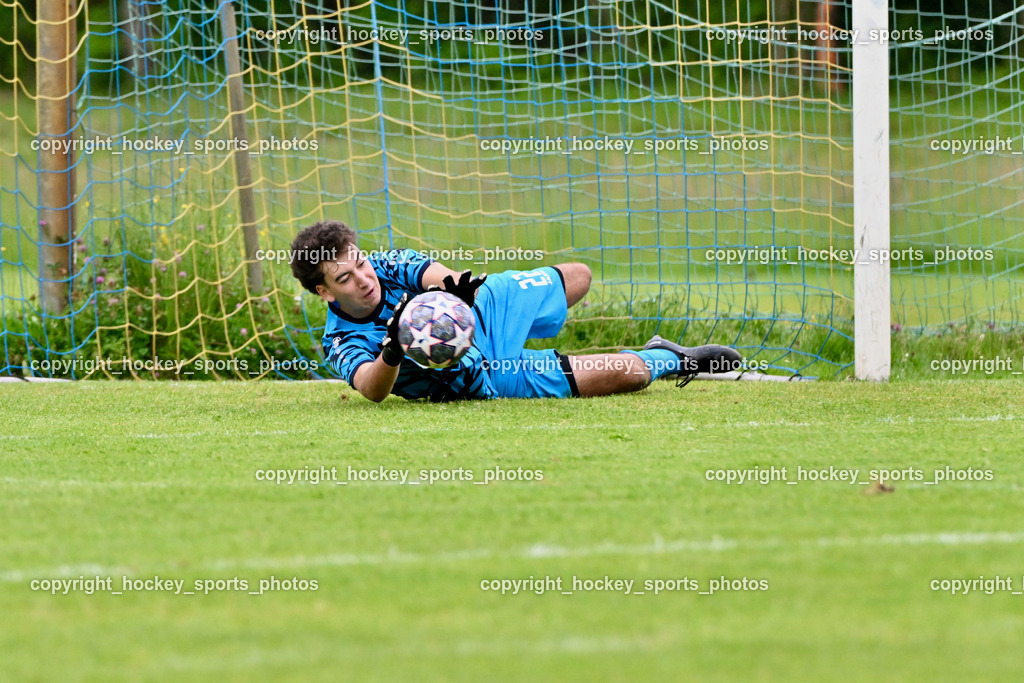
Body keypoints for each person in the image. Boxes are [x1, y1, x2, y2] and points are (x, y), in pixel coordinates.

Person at [289, 220, 742, 403]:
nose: (364, 279)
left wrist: (451, 295)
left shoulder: (385, 265)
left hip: (483, 312)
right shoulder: (341, 339)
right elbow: (371, 389)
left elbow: (434, 274)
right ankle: (673, 356)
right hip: (482, 377)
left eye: (361, 264)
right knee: (631, 375)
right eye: (345, 279)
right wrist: (393, 347)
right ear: (323, 292)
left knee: (578, 275)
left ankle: (532, 322)